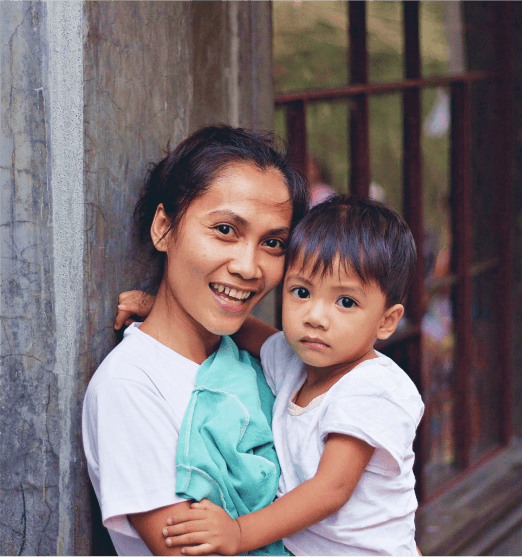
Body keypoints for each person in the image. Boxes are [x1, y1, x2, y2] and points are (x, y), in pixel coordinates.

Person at [119, 196, 424, 556]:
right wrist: (162, 307)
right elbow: (247, 332)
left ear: (387, 321)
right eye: (301, 292)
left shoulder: (372, 388)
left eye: (345, 302)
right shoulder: (297, 361)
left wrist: (238, 533)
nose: (315, 317)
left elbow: (330, 490)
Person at [82, 125, 308, 556]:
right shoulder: (130, 388)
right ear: (164, 228)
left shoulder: (259, 359)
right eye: (225, 229)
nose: (249, 267)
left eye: (273, 243)